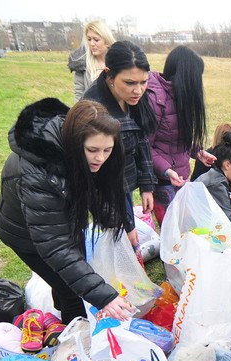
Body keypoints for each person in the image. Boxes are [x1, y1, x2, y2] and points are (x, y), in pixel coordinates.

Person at [0, 98, 135, 340]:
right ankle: (74, 348)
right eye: (92, 150)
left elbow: (98, 190)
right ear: (73, 141)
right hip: (24, 234)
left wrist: (118, 221)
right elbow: (55, 245)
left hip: (61, 222)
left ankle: (66, 320)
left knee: (69, 278)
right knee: (72, 292)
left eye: (107, 150)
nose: (100, 158)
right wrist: (105, 297)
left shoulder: (82, 150)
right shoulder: (37, 173)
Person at [83, 41, 157, 242]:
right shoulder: (94, 110)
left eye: (143, 82)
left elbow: (141, 139)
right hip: (106, 188)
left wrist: (147, 184)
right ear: (109, 74)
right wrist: (126, 222)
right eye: (130, 83)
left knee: (130, 239)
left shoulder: (134, 99)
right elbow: (101, 176)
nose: (138, 90)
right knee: (121, 239)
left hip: (126, 181)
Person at [145, 46, 215, 224]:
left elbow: (176, 137)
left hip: (180, 178)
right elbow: (145, 146)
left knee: (185, 229)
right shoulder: (156, 101)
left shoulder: (181, 96)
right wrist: (166, 170)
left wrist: (198, 152)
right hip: (163, 182)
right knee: (172, 231)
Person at [68, 21, 116, 102]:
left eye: (96, 40)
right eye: (89, 39)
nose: (91, 44)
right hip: (92, 112)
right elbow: (79, 95)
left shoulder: (119, 63)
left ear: (107, 41)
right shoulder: (82, 65)